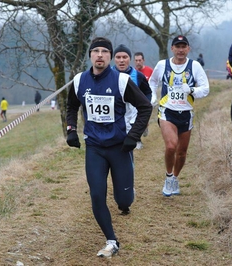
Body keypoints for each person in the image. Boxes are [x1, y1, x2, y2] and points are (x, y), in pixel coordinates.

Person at [66, 37, 152, 258]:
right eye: (96, 51)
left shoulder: (121, 81)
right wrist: (71, 130)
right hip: (94, 147)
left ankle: (126, 194)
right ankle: (111, 240)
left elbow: (145, 107)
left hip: (120, 147)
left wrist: (133, 136)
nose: (100, 55)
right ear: (90, 56)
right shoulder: (79, 80)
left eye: (105, 51)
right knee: (97, 194)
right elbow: (72, 106)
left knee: (123, 200)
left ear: (110, 56)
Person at [148, 35, 209, 197]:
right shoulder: (163, 65)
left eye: (184, 47)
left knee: (182, 152)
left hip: (186, 113)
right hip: (167, 111)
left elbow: (205, 88)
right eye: (177, 47)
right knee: (171, 146)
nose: (180, 50)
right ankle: (168, 177)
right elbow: (152, 82)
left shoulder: (194, 66)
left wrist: (192, 90)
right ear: (172, 49)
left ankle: (175, 178)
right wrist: (153, 97)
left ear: (188, 49)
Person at [113, 44, 152, 150]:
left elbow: (147, 92)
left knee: (132, 125)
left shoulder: (138, 76)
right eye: (118, 57)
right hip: (116, 109)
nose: (121, 60)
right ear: (114, 59)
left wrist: (146, 103)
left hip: (134, 107)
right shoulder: (108, 74)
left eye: (124, 57)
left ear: (129, 59)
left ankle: (137, 138)